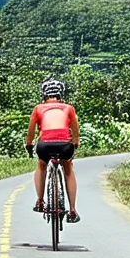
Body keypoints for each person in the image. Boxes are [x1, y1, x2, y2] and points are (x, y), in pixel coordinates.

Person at [25, 79, 81, 223]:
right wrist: (75, 143)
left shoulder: (38, 109)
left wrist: (29, 145)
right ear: (61, 94)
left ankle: (40, 201)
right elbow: (75, 130)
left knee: (41, 165)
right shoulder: (68, 108)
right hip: (64, 145)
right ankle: (73, 210)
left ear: (43, 94)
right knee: (68, 168)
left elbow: (31, 132)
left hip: (45, 145)